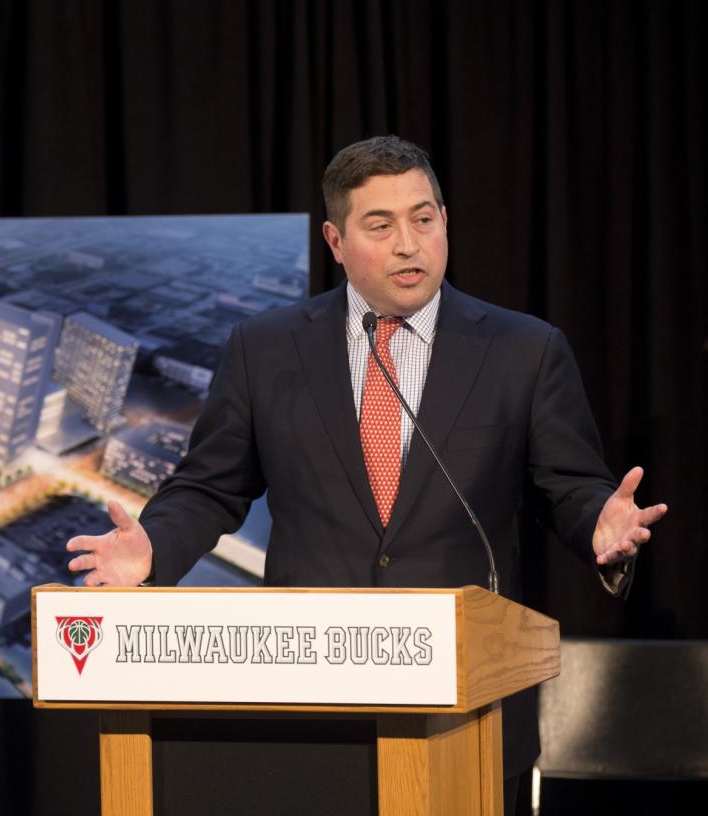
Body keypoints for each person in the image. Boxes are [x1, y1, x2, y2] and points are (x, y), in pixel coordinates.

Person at [66, 135, 668, 815]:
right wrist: (154, 547)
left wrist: (600, 526)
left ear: (446, 222)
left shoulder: (523, 350)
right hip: (303, 714)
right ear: (335, 240)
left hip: (465, 713)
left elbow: (570, 485)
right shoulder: (265, 349)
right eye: (380, 226)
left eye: (423, 218)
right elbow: (210, 485)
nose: (408, 244)